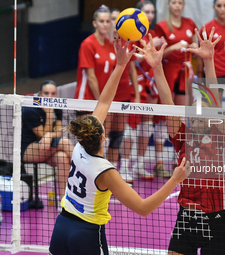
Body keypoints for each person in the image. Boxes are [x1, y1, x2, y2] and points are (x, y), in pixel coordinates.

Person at [49, 37, 188, 255]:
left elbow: (104, 102)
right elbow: (143, 208)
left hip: (61, 226)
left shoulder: (77, 148)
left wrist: (121, 65)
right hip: (85, 233)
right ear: (103, 138)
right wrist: (175, 179)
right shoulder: (105, 171)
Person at [138, 27, 225, 254]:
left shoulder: (221, 136)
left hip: (215, 219)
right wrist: (157, 67)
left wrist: (208, 62)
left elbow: (215, 100)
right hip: (186, 218)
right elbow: (168, 104)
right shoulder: (183, 137)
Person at [73, 5, 139, 170]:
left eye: (107, 21)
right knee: (88, 142)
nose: (105, 24)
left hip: (103, 100)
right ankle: (86, 172)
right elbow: (92, 78)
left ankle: (110, 171)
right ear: (94, 23)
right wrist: (100, 103)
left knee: (113, 137)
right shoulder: (87, 44)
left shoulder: (112, 44)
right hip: (87, 99)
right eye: (101, 21)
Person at [119, 0, 167, 183]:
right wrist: (148, 47)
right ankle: (124, 166)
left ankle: (139, 164)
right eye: (146, 12)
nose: (150, 15)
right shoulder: (129, 33)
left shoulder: (151, 34)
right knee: (130, 128)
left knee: (147, 126)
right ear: (138, 14)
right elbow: (130, 61)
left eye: (152, 12)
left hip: (149, 87)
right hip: (134, 88)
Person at [21, 80, 74, 206]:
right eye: (46, 93)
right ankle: (85, 171)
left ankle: (64, 203)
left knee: (62, 157)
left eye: (53, 94)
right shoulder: (30, 108)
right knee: (65, 142)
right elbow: (42, 135)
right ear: (40, 94)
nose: (50, 97)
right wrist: (49, 114)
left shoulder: (58, 106)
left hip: (47, 147)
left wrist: (50, 134)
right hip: (29, 150)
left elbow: (58, 132)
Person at [154, 0, 197, 106]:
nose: (177, 6)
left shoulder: (190, 23)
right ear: (168, 5)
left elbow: (195, 48)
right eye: (174, 2)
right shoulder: (161, 26)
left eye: (180, 3)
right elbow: (157, 56)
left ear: (183, 5)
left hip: (185, 70)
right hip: (169, 70)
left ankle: (181, 123)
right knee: (168, 105)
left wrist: (195, 48)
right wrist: (173, 47)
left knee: (183, 107)